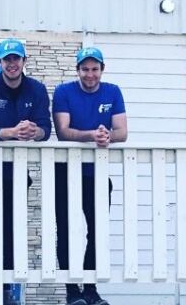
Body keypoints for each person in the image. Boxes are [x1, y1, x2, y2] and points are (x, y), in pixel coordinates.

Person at [0, 38, 51, 305]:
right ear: (0, 63)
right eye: (7, 59)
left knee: (14, 230)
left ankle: (7, 290)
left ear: (24, 62)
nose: (12, 64)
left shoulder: (37, 89)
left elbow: (46, 129)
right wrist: (11, 133)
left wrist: (35, 132)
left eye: (16, 58)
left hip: (17, 174)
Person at [53, 47, 127, 305]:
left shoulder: (113, 91)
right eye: (85, 69)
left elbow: (122, 132)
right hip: (65, 172)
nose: (90, 74)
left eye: (95, 69)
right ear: (78, 70)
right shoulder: (63, 92)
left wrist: (108, 135)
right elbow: (63, 132)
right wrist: (91, 135)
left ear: (102, 70)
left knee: (97, 232)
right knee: (66, 231)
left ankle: (91, 289)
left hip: (97, 173)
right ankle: (72, 291)